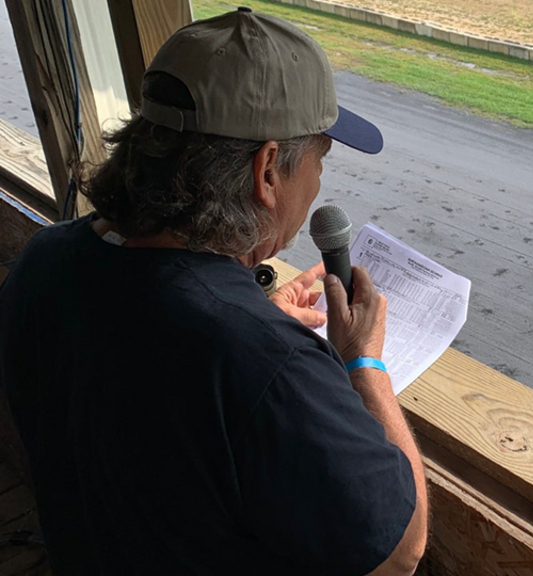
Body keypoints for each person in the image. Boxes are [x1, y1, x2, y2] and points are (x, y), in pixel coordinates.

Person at [0, 9, 426, 576]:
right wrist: (364, 359)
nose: (320, 183)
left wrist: (249, 321)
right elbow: (399, 551)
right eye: (319, 159)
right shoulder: (263, 363)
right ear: (268, 170)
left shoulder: (44, 259)